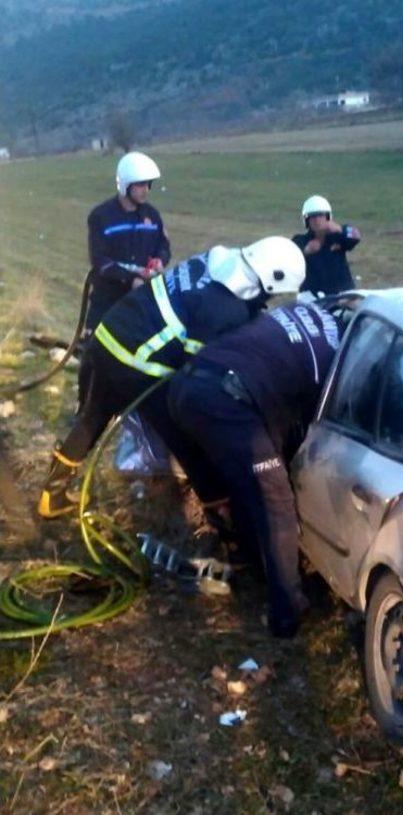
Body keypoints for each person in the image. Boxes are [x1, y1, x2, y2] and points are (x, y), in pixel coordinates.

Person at [37, 237, 306, 519]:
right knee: (187, 443)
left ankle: (51, 497)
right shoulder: (226, 309)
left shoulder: (215, 262)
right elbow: (198, 370)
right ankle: (224, 519)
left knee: (94, 417)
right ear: (270, 280)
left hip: (110, 334)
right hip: (138, 362)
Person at [167, 300, 345, 637]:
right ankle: (287, 610)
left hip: (186, 386)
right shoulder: (332, 360)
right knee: (275, 499)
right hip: (224, 400)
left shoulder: (308, 312)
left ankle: (250, 558)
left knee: (248, 482)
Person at [84, 151, 171, 336]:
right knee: (93, 349)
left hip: (141, 298)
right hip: (108, 298)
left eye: (148, 184)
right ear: (125, 185)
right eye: (140, 184)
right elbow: (100, 261)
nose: (146, 189)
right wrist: (131, 278)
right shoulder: (101, 216)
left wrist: (160, 260)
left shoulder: (152, 216)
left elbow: (163, 246)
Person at [292, 195, 361, 297]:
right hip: (311, 295)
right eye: (312, 217)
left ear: (328, 217)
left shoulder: (338, 236)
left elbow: (355, 237)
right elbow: (289, 258)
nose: (317, 220)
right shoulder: (300, 240)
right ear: (306, 220)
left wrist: (340, 230)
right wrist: (306, 251)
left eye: (321, 216)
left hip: (341, 293)